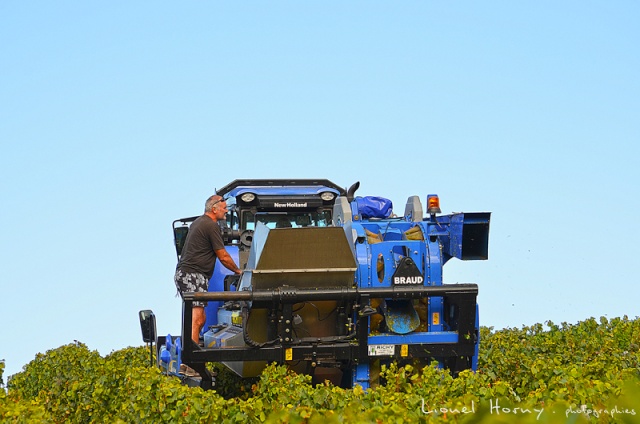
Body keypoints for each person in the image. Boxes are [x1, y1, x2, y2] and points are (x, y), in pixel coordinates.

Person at [174, 194, 242, 344]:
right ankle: (191, 362)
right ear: (214, 208)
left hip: (189, 274)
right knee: (197, 319)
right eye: (224, 208)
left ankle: (192, 350)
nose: (226, 211)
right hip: (192, 274)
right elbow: (223, 256)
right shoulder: (210, 225)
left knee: (201, 318)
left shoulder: (199, 222)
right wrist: (239, 272)